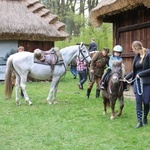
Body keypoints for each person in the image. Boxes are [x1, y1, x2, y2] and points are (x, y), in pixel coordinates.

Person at [124, 41, 150, 128]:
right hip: (137, 82)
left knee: (146, 101)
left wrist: (141, 74)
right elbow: (134, 71)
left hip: (146, 82)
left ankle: (145, 118)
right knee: (138, 101)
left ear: (136, 48)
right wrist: (126, 77)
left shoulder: (148, 54)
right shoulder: (136, 57)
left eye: (133, 49)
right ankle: (139, 121)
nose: (133, 51)